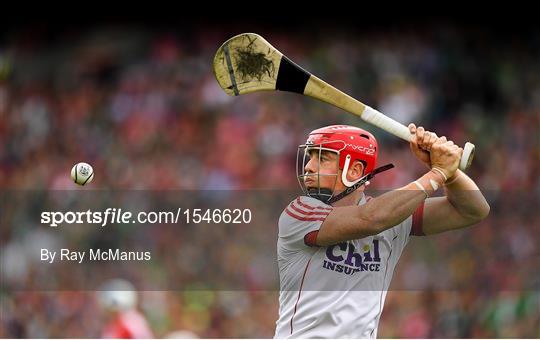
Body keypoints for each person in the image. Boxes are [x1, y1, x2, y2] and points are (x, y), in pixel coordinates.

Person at [274, 124, 490, 338]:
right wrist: (438, 172)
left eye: (322, 158)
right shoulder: (299, 213)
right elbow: (370, 219)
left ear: (355, 170)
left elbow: (473, 210)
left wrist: (449, 172)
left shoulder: (394, 217)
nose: (309, 167)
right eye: (310, 157)